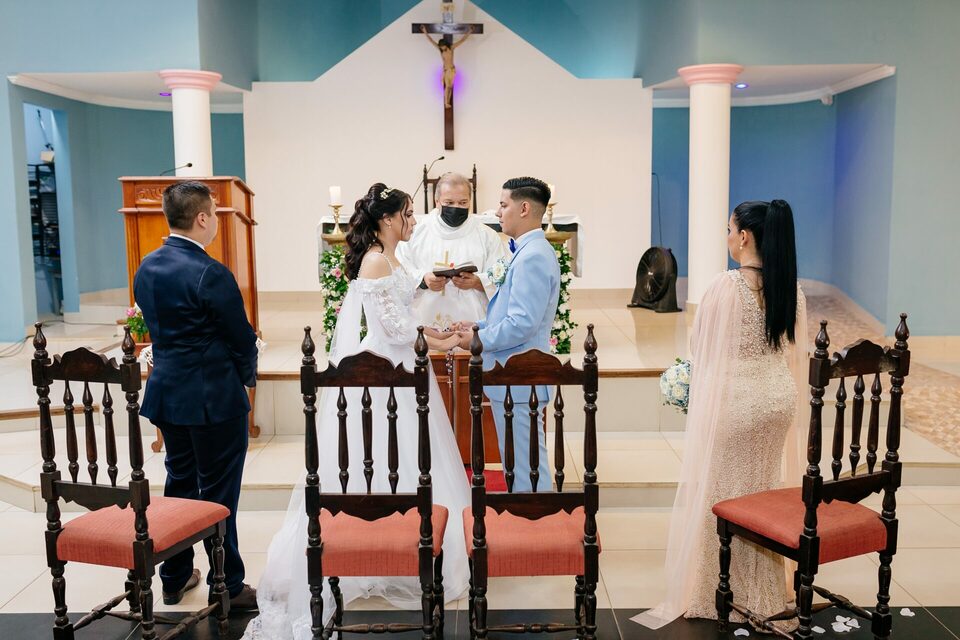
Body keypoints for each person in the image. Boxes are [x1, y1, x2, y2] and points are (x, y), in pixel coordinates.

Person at [245, 184, 469, 640]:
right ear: (387, 219)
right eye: (408, 214)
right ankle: (376, 546)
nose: (413, 221)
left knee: (413, 457)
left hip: (405, 364)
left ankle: (400, 546)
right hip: (386, 372)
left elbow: (403, 315)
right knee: (387, 454)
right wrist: (436, 336)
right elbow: (393, 327)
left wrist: (437, 333)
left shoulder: (391, 257)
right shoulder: (375, 260)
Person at [635, 200, 809, 633]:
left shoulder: (726, 287)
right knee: (763, 490)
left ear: (744, 237)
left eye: (729, 229)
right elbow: (792, 353)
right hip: (778, 400)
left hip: (738, 402)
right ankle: (765, 591)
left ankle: (720, 590)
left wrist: (688, 381)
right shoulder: (791, 289)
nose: (727, 237)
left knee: (725, 493)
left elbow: (703, 349)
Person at [133, 181, 258, 611]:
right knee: (219, 494)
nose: (217, 221)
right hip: (213, 398)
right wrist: (245, 378)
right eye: (215, 214)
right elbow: (241, 338)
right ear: (202, 218)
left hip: (168, 392)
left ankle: (174, 576)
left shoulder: (147, 267)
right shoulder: (210, 272)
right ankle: (229, 585)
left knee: (180, 483)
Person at [455, 177, 559, 492]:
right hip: (513, 375)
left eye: (503, 205)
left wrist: (478, 341)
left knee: (527, 467)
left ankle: (536, 518)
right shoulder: (525, 251)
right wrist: (479, 327)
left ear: (524, 208)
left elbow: (522, 323)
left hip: (520, 374)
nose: (498, 212)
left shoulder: (533, 256)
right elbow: (511, 314)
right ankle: (529, 515)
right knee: (518, 463)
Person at [396, 172, 507, 331]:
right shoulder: (416, 232)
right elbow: (399, 268)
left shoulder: (487, 236)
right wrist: (423, 279)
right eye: (449, 202)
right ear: (437, 202)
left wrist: (478, 282)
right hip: (424, 320)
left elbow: (501, 276)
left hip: (472, 321)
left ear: (470, 201)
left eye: (463, 203)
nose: (456, 207)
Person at [420, 25, 473, 108]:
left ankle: (447, 102)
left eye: (443, 46)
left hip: (452, 70)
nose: (442, 48)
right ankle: (446, 103)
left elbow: (462, 40)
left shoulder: (451, 48)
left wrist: (469, 31)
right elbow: (431, 40)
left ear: (445, 44)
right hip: (446, 70)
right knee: (447, 87)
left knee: (450, 87)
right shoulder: (440, 50)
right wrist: (424, 31)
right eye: (441, 47)